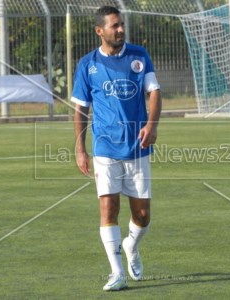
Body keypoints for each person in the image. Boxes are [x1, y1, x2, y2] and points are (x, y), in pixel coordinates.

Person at [71, 6, 162, 291]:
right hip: (105, 147)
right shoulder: (87, 65)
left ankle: (132, 245)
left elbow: (155, 92)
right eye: (114, 26)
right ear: (100, 31)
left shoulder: (139, 56)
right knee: (108, 206)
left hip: (137, 147)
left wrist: (152, 124)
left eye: (121, 24)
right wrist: (80, 149)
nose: (120, 29)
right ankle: (117, 272)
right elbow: (81, 109)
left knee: (143, 216)